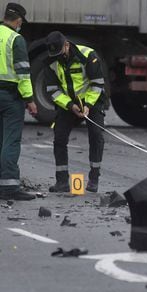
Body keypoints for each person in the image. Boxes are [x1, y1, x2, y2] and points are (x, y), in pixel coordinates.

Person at [44, 31, 106, 193]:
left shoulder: (88, 55)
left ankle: (94, 178)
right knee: (59, 137)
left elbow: (97, 84)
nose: (57, 56)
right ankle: (62, 181)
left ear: (67, 45)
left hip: (92, 100)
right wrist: (70, 105)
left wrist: (88, 105)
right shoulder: (51, 60)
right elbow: (52, 91)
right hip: (68, 103)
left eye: (59, 52)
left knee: (96, 135)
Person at [0, 3, 37, 201]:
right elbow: (23, 73)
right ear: (19, 20)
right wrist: (29, 100)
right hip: (10, 96)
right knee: (11, 140)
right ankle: (9, 187)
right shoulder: (16, 39)